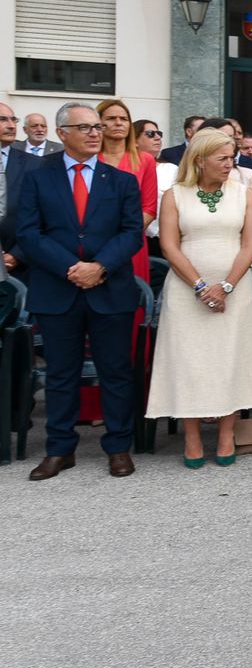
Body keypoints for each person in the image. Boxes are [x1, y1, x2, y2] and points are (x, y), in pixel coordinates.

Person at [18, 103, 146, 481]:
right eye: (85, 127)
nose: (95, 133)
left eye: (97, 127)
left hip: (110, 290)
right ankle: (59, 449)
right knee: (60, 373)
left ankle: (119, 446)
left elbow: (131, 233)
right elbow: (28, 232)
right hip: (57, 289)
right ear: (62, 134)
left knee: (116, 372)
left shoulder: (120, 180)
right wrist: (70, 269)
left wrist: (99, 267)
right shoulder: (37, 177)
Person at [145, 129, 252, 467]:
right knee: (190, 362)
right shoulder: (174, 195)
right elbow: (169, 245)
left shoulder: (244, 193)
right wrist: (200, 286)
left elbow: (250, 244)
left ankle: (228, 434)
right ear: (200, 160)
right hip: (186, 292)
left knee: (231, 359)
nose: (231, 164)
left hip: (235, 289)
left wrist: (225, 285)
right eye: (223, 158)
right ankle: (193, 436)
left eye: (232, 157)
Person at [96, 99, 158, 287]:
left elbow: (149, 208)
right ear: (99, 123)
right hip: (93, 241)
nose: (118, 123)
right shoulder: (90, 158)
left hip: (131, 242)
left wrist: (124, 237)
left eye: (123, 118)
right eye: (112, 118)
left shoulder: (144, 160)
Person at [0, 102, 42, 282]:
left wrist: (16, 255)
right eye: (2, 119)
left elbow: (45, 216)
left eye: (13, 120)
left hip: (19, 270)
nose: (11, 125)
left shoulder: (36, 165)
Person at [132, 119, 179, 257]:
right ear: (134, 140)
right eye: (151, 134)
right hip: (135, 236)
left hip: (163, 239)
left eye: (159, 133)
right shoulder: (127, 168)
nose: (157, 137)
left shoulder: (171, 169)